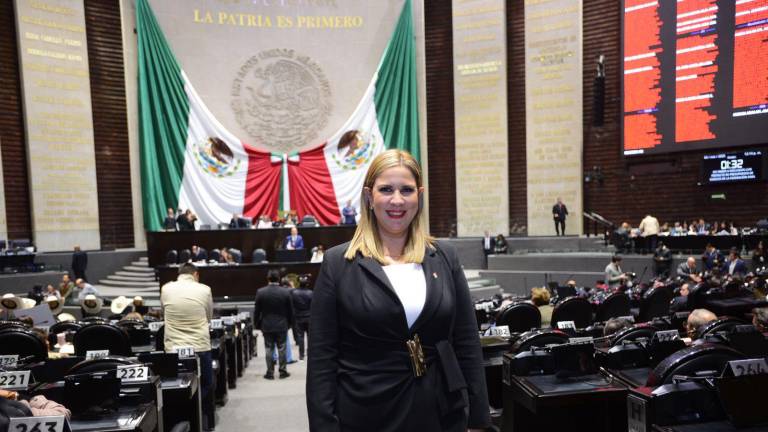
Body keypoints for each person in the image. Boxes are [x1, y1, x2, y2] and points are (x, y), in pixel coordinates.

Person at [307, 149, 490, 431]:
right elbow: (322, 360)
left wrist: (478, 419)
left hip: (440, 412)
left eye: (406, 190)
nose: (397, 200)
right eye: (386, 189)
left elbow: (466, 342)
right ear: (369, 196)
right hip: (366, 414)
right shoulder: (337, 263)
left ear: (419, 195)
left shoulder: (444, 256)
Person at [160, 263, 214, 429]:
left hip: (173, 347)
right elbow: (209, 317)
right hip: (199, 345)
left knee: (177, 387)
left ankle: (181, 422)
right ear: (196, 274)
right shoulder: (204, 289)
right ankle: (204, 423)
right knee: (205, 384)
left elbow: (164, 313)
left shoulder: (166, 289)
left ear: (179, 274)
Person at [254, 269, 294, 379]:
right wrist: (290, 323)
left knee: (268, 349)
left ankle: (270, 372)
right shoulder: (285, 292)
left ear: (268, 279)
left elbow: (257, 311)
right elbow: (290, 310)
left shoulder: (261, 292)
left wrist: (256, 324)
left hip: (267, 325)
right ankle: (283, 371)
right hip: (282, 324)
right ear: (279, 279)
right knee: (282, 348)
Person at [291, 274, 313, 361]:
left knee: (300, 337)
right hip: (309, 317)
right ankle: (310, 353)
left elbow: (292, 306)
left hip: (298, 317)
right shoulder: (311, 293)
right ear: (307, 283)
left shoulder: (294, 293)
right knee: (310, 336)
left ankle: (301, 355)